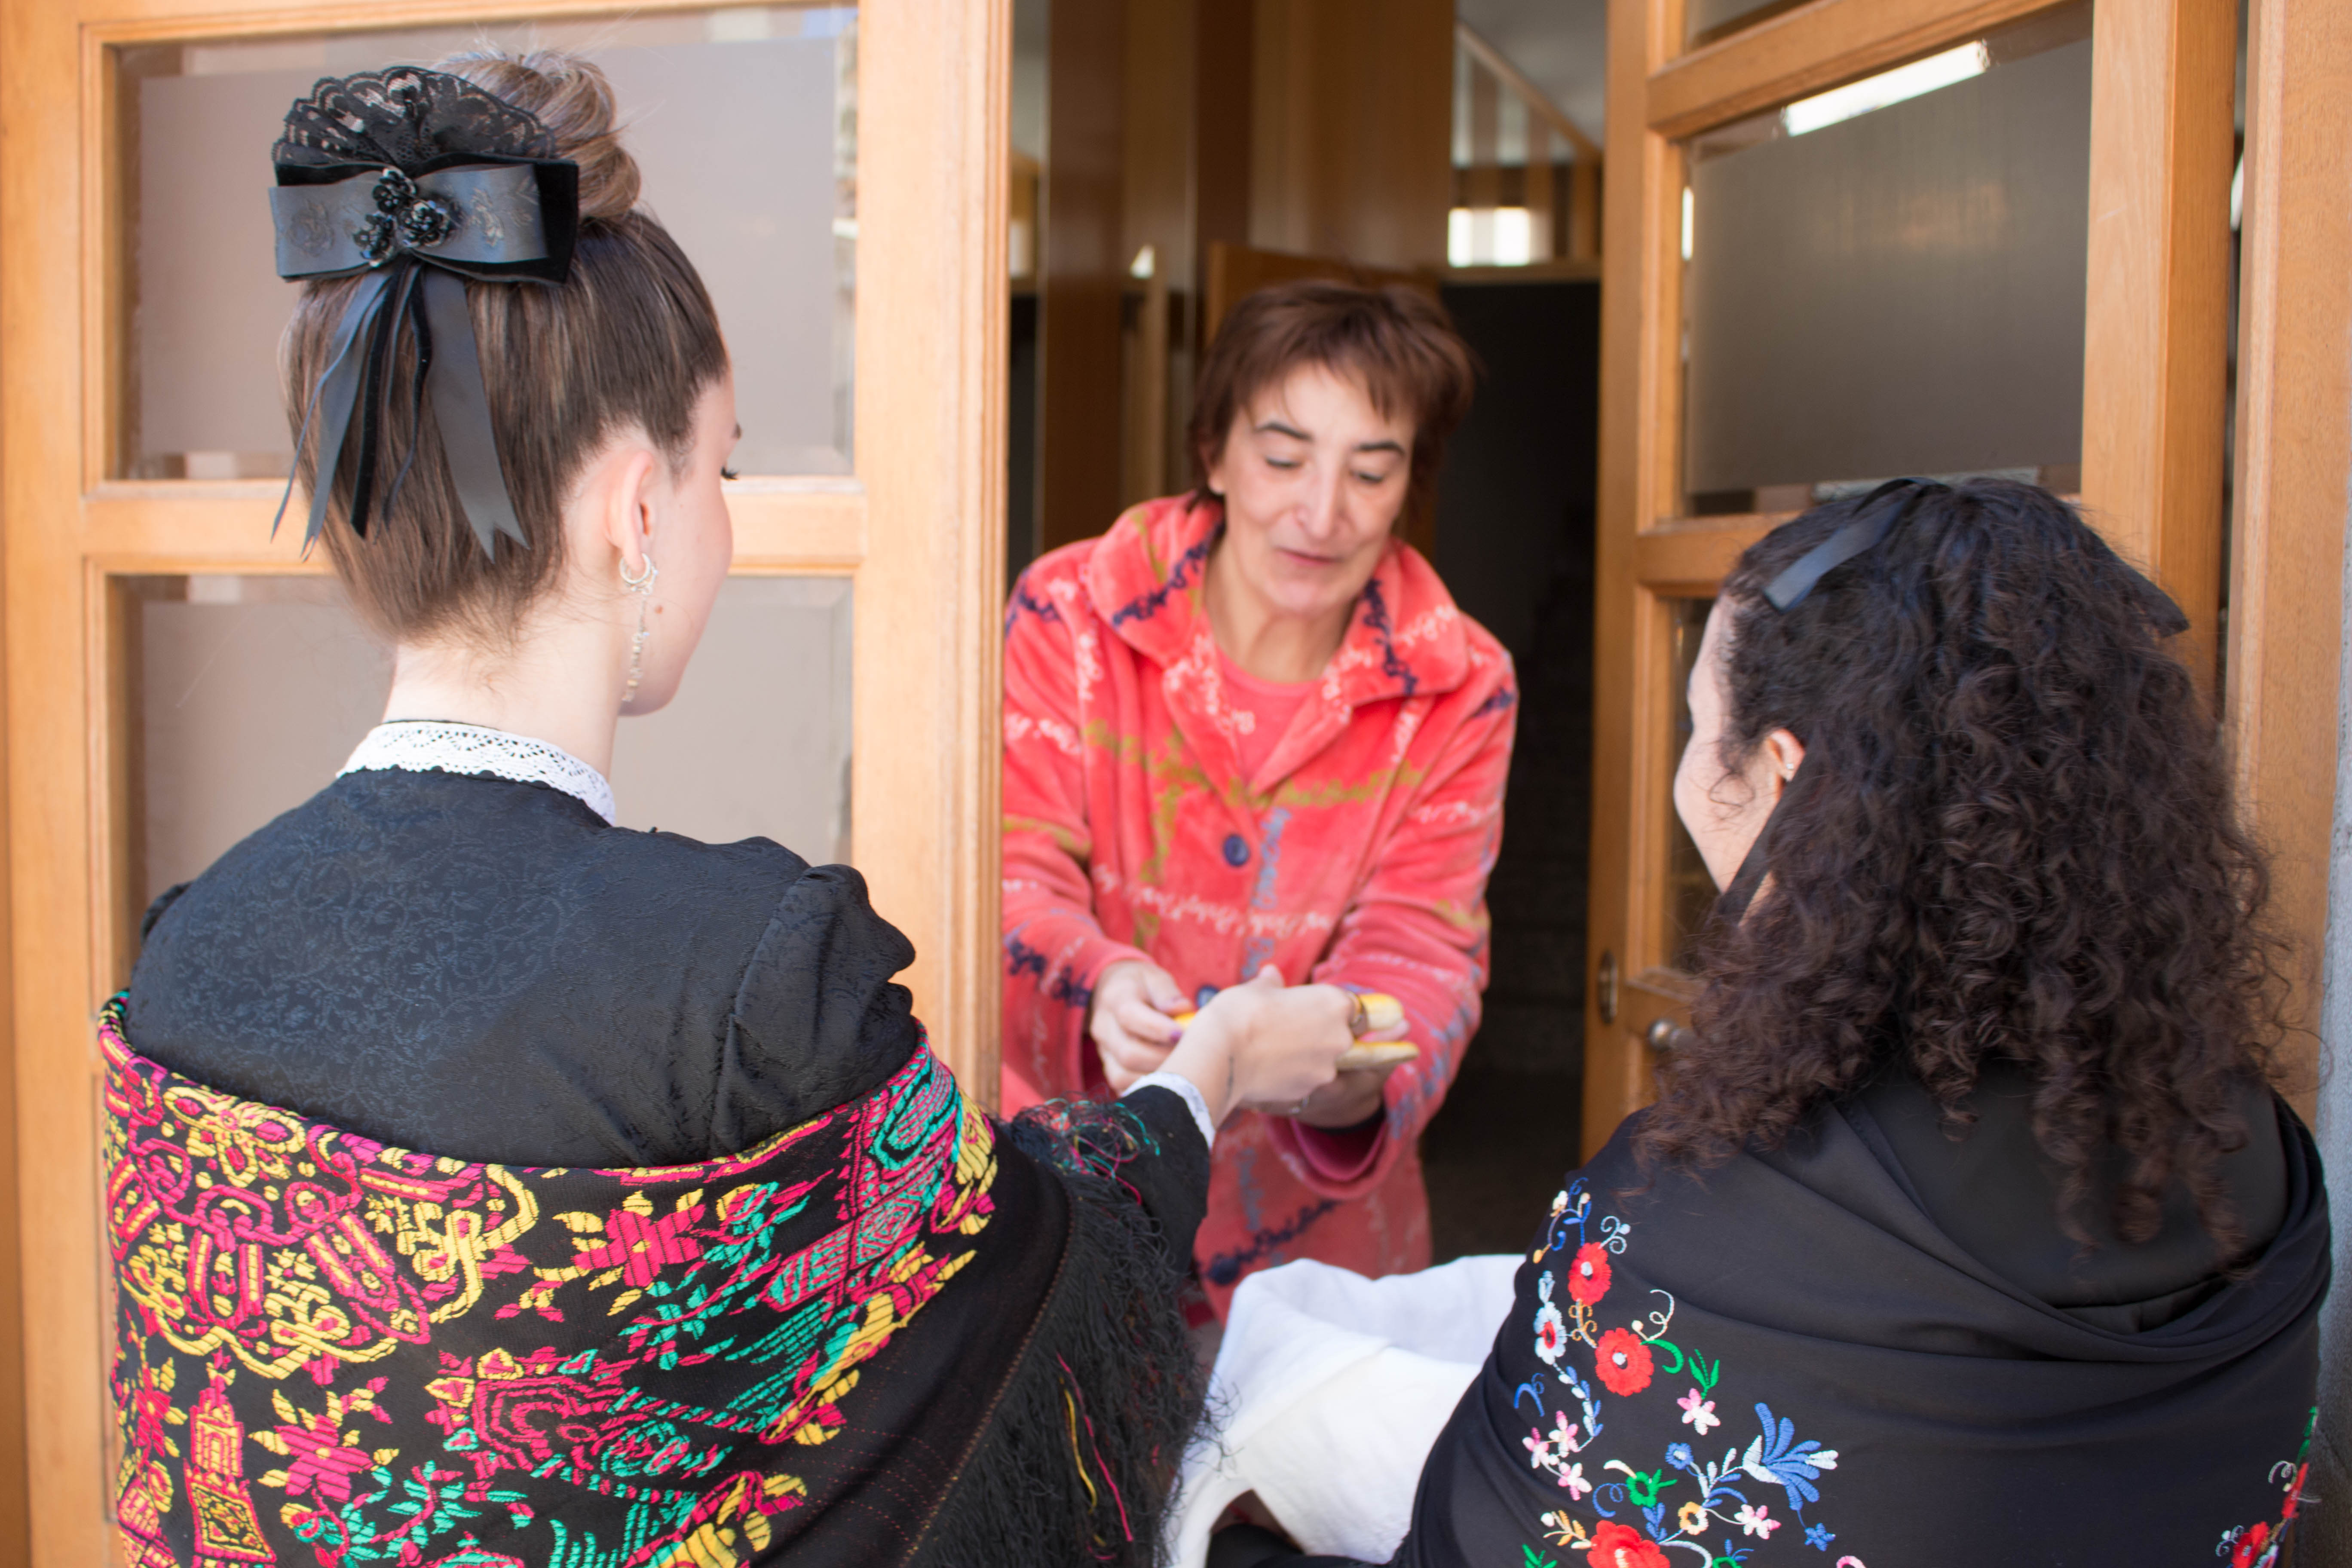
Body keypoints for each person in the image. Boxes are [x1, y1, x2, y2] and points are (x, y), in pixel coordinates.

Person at [105, 55, 1352, 1568]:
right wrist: (1207, 1073)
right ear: (638, 508)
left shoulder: (192, 947)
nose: (726, 518)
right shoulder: (751, 982)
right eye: (726, 465)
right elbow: (1037, 1297)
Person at [1201, 480, 2328, 1567]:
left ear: (1784, 780)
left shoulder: (1696, 1232)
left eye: (1700, 726)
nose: (1690, 769)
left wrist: (1239, 1533)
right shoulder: (2256, 1159)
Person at [1002, 281, 1515, 1315]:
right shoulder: (1074, 613)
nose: (1321, 513)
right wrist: (1098, 985)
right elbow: (1012, 867)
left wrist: (1342, 1059)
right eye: (1283, 458)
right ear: (1214, 451)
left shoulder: (1460, 682)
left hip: (1314, 1262)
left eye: (1372, 471)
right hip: (1062, 1214)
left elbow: (1420, 952)